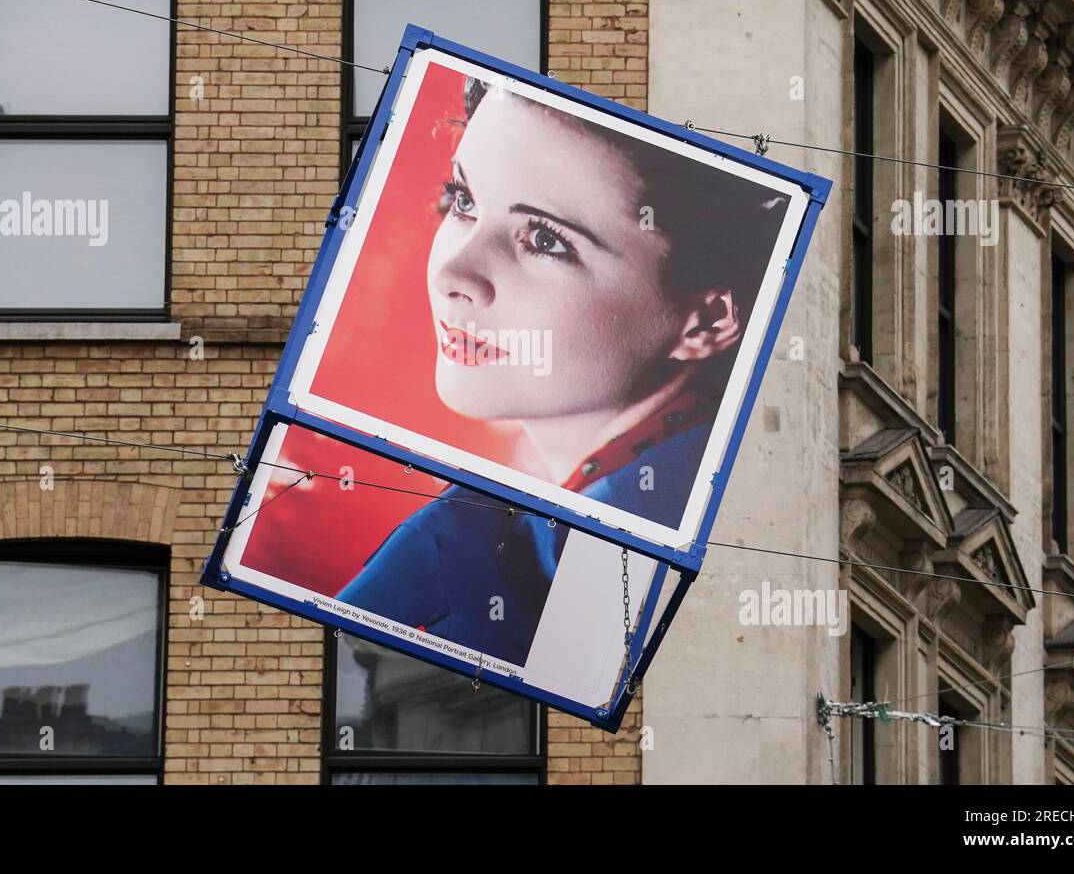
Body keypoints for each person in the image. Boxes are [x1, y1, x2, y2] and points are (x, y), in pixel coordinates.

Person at [338, 75, 789, 667]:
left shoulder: (645, 534)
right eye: (464, 199)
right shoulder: (507, 523)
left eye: (546, 240)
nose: (456, 271)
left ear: (706, 320)